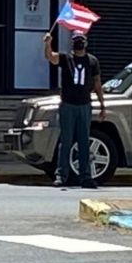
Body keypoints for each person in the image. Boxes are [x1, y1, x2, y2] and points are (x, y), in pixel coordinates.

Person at [44, 30, 105, 189]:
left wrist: (102, 105)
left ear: (86, 43)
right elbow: (51, 57)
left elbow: (97, 84)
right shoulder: (66, 58)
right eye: (77, 40)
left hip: (84, 105)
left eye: (81, 40)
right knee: (66, 141)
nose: (79, 43)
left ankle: (86, 177)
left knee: (84, 141)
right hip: (68, 105)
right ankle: (61, 176)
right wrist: (48, 44)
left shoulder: (92, 61)